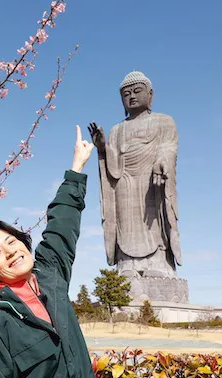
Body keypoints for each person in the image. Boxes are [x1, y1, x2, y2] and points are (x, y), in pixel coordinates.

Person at [0, 126, 107, 378]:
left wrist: (76, 168)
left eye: (11, 241)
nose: (10, 251)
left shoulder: (50, 279)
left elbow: (61, 227)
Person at [89, 71, 181, 279]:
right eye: (126, 94)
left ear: (150, 94)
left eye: (137, 91)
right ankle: (126, 264)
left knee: (154, 221)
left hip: (152, 179)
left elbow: (169, 147)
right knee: (125, 222)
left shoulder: (164, 121)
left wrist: (161, 162)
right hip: (124, 181)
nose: (131, 96)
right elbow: (113, 163)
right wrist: (103, 147)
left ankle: (159, 263)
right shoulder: (117, 130)